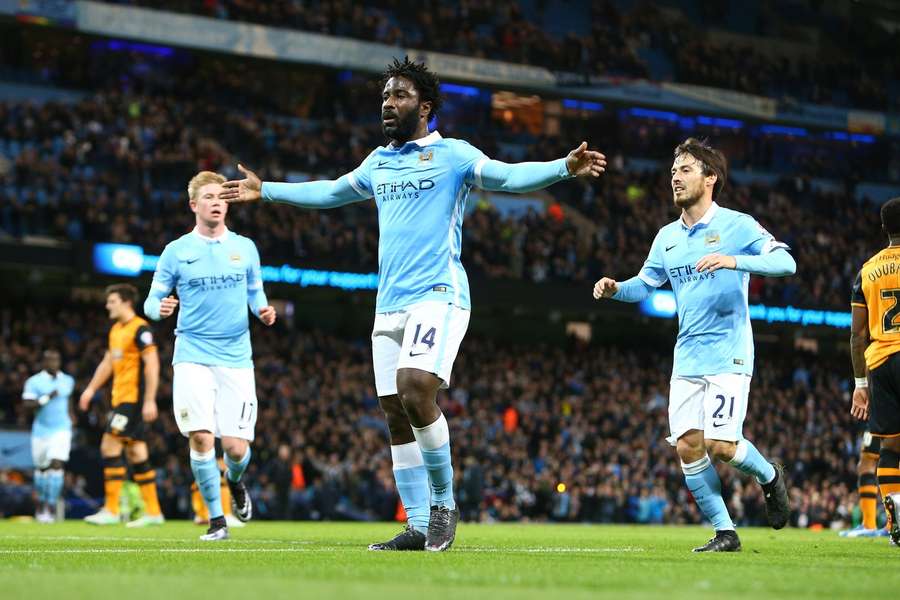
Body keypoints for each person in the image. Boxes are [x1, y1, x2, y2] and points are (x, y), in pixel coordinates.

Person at [220, 56, 606, 551]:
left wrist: (563, 168)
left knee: (415, 387)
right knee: (395, 412)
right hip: (389, 305)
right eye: (384, 95)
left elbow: (507, 177)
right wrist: (267, 190)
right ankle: (418, 524)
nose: (387, 103)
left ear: (424, 107)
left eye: (398, 96)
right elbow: (332, 191)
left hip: (438, 295)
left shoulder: (453, 155)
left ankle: (445, 503)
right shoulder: (378, 162)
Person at [592, 138, 794, 552]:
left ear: (710, 178)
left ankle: (770, 476)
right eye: (673, 172)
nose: (676, 178)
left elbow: (785, 262)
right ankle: (725, 532)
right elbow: (645, 286)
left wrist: (734, 260)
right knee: (687, 446)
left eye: (685, 170)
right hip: (687, 357)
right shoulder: (666, 237)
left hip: (729, 352)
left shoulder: (737, 225)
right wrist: (616, 288)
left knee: (721, 445)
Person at [144, 171, 276, 541]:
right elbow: (151, 300)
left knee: (235, 449)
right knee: (201, 439)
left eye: (221, 197)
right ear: (193, 205)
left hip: (236, 357)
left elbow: (255, 291)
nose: (217, 202)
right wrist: (160, 309)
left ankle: (234, 481)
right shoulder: (177, 251)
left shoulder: (245, 247)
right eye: (209, 197)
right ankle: (217, 521)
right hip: (192, 354)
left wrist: (263, 311)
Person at [79, 284, 164, 527]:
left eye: (112, 301)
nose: (108, 305)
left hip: (133, 400)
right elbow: (107, 362)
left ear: (126, 302)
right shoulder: (116, 330)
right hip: (120, 398)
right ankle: (154, 512)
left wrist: (149, 400)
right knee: (136, 452)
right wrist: (91, 389)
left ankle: (112, 509)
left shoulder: (141, 329)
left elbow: (152, 364)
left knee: (109, 446)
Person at [849, 195, 900, 547]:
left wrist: (860, 383)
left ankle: (894, 523)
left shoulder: (867, 270)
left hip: (881, 362)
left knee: (891, 449)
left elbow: (857, 334)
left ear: (884, 229)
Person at [22, 349, 75, 523]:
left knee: (57, 463)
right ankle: (41, 506)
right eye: (50, 360)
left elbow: (69, 401)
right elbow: (27, 404)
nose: (53, 363)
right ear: (43, 363)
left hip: (62, 429)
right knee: (41, 470)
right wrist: (46, 398)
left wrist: (71, 415)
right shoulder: (34, 382)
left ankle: (51, 507)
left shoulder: (68, 380)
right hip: (41, 431)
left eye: (56, 360)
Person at [838, 431, 888, 537]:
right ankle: (892, 525)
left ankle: (869, 525)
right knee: (891, 455)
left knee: (867, 463)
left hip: (879, 420)